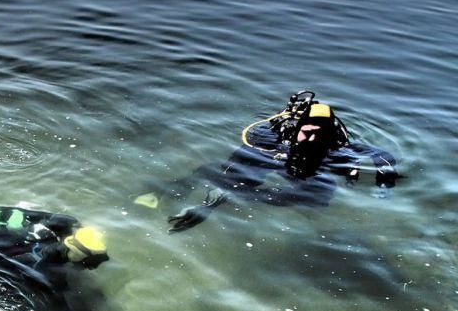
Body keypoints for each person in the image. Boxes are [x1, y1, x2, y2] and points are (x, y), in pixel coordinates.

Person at [158, 91, 399, 232]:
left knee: (319, 194)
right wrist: (208, 205)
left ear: (326, 135)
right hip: (281, 157)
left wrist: (384, 182)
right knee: (218, 174)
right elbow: (234, 170)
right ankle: (177, 192)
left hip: (306, 172)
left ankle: (247, 199)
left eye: (318, 134)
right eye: (307, 132)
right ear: (297, 129)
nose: (311, 138)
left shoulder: (335, 146)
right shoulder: (274, 140)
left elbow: (383, 156)